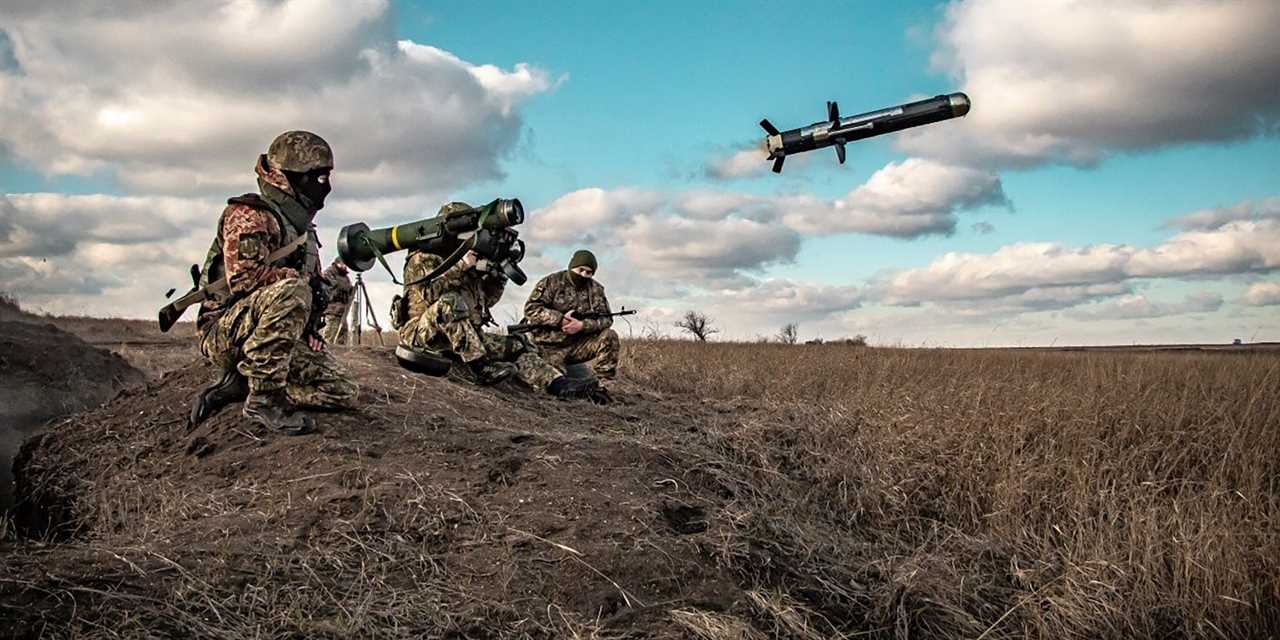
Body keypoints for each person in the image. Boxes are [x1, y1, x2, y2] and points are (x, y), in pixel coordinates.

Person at [189, 131, 358, 434]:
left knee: (342, 391)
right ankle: (264, 399)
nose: (327, 187)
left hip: (269, 331)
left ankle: (242, 384)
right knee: (293, 291)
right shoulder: (249, 214)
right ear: (290, 176)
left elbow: (307, 288)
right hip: (226, 333)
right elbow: (245, 281)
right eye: (318, 178)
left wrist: (309, 328)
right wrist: (301, 288)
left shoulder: (304, 231)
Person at [397, 202, 604, 401]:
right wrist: (462, 265)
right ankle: (481, 368)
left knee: (519, 344)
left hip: (465, 337)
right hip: (422, 335)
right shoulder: (423, 256)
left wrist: (498, 277)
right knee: (450, 301)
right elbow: (429, 294)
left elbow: (487, 302)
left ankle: (559, 385)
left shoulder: (471, 257)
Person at [521, 250, 620, 384]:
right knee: (555, 381)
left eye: (589, 272)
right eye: (581, 270)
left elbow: (606, 319)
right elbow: (531, 309)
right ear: (572, 266)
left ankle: (604, 382)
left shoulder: (596, 289)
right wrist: (559, 320)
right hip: (548, 346)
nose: (584, 275)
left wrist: (582, 326)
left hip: (577, 346)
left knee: (610, 335)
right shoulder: (551, 282)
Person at [320, 258, 354, 345]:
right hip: (332, 310)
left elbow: (348, 289)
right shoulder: (329, 272)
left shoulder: (345, 276)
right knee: (330, 337)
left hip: (342, 312)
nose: (345, 267)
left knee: (342, 337)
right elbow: (335, 286)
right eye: (343, 264)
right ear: (337, 263)